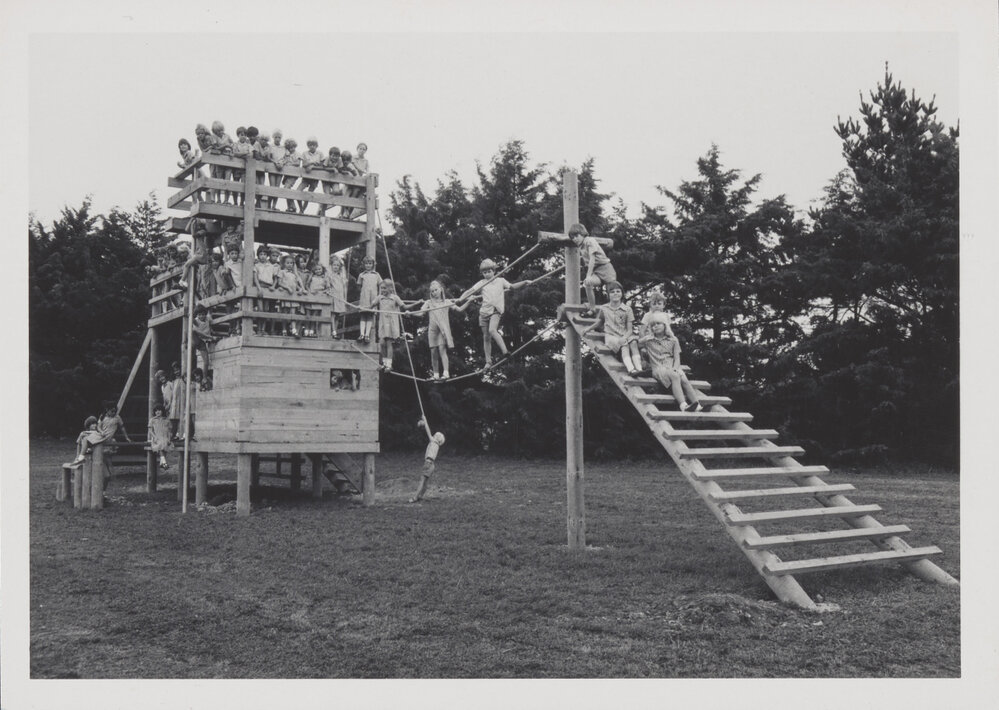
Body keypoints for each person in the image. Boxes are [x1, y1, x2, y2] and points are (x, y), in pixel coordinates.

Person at [458, 258, 529, 369]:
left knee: (492, 330)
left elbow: (513, 286)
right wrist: (461, 299)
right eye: (484, 272)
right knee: (486, 337)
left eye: (489, 271)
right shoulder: (481, 283)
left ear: (493, 271)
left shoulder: (501, 280)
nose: (487, 274)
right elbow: (469, 291)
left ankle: (505, 351)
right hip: (484, 313)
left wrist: (524, 282)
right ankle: (488, 362)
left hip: (495, 311)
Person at [640, 312, 705, 411]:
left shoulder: (673, 340)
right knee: (675, 376)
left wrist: (675, 368)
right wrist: (642, 354)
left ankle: (697, 405)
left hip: (672, 366)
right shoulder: (648, 340)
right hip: (658, 368)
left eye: (658, 323)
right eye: (653, 325)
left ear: (665, 325)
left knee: (683, 378)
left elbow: (677, 358)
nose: (655, 326)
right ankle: (683, 405)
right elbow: (635, 343)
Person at [580, 281, 643, 376]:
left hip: (624, 334)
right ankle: (631, 369)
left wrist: (624, 337)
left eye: (618, 291)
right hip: (611, 336)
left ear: (622, 294)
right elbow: (600, 321)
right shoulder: (604, 308)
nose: (615, 294)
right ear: (608, 294)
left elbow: (630, 330)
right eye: (612, 292)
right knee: (624, 345)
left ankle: (639, 369)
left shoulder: (627, 309)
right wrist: (589, 328)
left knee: (633, 342)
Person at [414, 280, 472, 380]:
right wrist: (409, 313)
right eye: (432, 291)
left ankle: (446, 373)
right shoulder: (429, 303)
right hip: (432, 330)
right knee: (433, 352)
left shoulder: (447, 302)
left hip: (442, 330)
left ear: (441, 290)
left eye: (436, 290)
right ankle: (435, 375)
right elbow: (420, 313)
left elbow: (460, 309)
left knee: (442, 349)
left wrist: (469, 301)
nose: (434, 292)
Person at [568, 223, 617, 317]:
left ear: (582, 234)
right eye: (572, 238)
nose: (574, 239)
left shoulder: (589, 241)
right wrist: (589, 277)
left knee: (613, 291)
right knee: (587, 283)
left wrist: (588, 275)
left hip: (606, 268)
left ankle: (616, 310)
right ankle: (592, 308)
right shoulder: (581, 246)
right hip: (596, 271)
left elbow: (592, 259)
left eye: (576, 236)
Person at [409, 418, 445, 503]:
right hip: (432, 465)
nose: (434, 435)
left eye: (435, 435)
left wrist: (425, 420)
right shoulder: (436, 445)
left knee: (422, 481)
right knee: (425, 482)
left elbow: (428, 430)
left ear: (437, 439)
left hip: (428, 463)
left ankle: (415, 497)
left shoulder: (433, 442)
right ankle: (420, 496)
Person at [375, 279, 406, 371]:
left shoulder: (395, 297)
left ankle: (389, 365)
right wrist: (362, 307)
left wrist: (417, 303)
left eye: (384, 288)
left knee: (389, 343)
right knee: (381, 343)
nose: (382, 290)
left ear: (390, 288)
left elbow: (404, 306)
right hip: (383, 323)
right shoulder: (380, 297)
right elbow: (372, 305)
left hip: (391, 323)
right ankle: (384, 364)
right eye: (381, 288)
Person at [274, 254, 304, 337]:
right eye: (288, 263)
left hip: (293, 296)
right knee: (285, 313)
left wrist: (300, 289)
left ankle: (294, 330)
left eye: (291, 263)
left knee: (293, 313)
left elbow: (295, 284)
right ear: (284, 264)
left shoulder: (294, 274)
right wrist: (287, 287)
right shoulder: (282, 272)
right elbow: (279, 283)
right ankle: (284, 330)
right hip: (285, 295)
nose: (290, 265)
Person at [356, 256, 382, 344]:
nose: (368, 265)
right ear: (364, 265)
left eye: (370, 263)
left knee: (370, 315)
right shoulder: (362, 275)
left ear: (373, 264)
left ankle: (367, 335)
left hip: (373, 297)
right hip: (364, 297)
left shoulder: (377, 275)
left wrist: (379, 296)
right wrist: (363, 294)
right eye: (366, 263)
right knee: (363, 314)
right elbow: (359, 286)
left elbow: (380, 285)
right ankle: (362, 334)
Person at [305, 261, 331, 337]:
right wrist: (309, 291)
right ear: (314, 270)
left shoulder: (324, 278)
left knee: (315, 314)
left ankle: (312, 331)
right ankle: (306, 330)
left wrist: (322, 292)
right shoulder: (312, 277)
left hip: (319, 298)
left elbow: (328, 288)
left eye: (319, 269)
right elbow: (307, 285)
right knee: (308, 314)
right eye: (316, 270)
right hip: (311, 296)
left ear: (322, 270)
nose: (318, 271)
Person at [298, 137, 324, 213]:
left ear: (316, 146)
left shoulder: (320, 153)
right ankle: (301, 208)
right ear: (308, 146)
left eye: (314, 145)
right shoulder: (305, 153)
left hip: (315, 178)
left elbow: (322, 166)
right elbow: (304, 164)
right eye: (310, 145)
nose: (312, 146)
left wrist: (312, 167)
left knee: (309, 195)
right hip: (306, 178)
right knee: (298, 191)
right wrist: (312, 163)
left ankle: (302, 210)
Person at [328, 254, 348, 339]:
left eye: (337, 265)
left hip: (340, 297)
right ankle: (333, 331)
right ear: (331, 266)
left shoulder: (341, 277)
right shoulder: (330, 275)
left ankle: (335, 330)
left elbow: (344, 288)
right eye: (334, 265)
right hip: (334, 296)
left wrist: (345, 298)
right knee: (332, 314)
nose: (336, 267)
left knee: (337, 315)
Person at [147, 404, 172, 470]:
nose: (157, 412)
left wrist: (169, 438)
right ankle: (164, 463)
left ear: (162, 411)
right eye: (156, 411)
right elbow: (150, 430)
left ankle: (162, 463)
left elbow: (169, 431)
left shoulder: (166, 420)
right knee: (160, 444)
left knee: (165, 444)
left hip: (165, 437)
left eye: (159, 410)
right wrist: (154, 437)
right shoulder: (152, 420)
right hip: (157, 437)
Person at [231, 126, 252, 205]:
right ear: (238, 135)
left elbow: (251, 155)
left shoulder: (248, 145)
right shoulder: (235, 144)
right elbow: (234, 153)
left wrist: (240, 155)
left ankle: (241, 202)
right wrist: (244, 154)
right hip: (236, 168)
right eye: (241, 134)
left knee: (244, 185)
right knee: (235, 185)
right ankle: (235, 202)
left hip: (244, 169)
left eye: (244, 135)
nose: (243, 136)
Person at [279, 138, 301, 212]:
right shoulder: (287, 154)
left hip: (293, 174)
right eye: (290, 148)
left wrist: (290, 164)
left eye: (293, 147)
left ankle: (293, 207)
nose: (292, 149)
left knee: (286, 188)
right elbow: (284, 161)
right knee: (287, 189)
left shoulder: (297, 154)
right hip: (287, 174)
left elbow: (298, 163)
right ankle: (291, 207)